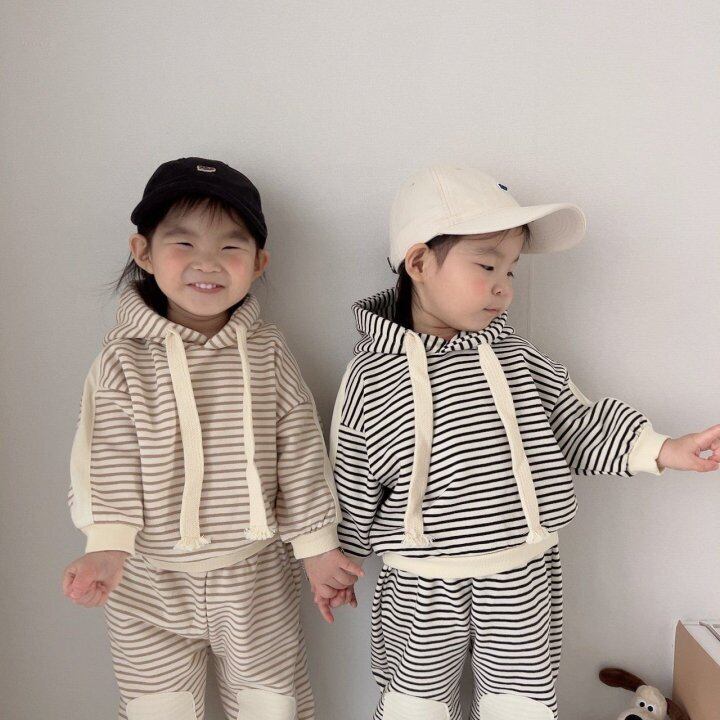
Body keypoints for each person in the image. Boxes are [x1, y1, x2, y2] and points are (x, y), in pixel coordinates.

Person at [329, 165, 720, 720]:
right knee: (413, 703)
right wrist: (339, 555)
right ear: (418, 264)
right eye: (487, 265)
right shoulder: (371, 374)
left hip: (520, 572)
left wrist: (663, 450)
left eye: (510, 270)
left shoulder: (515, 357)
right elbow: (351, 471)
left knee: (522, 702)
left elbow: (577, 422)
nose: (504, 287)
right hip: (420, 581)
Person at [61, 157, 363, 720]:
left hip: (254, 576)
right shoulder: (122, 359)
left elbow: (300, 450)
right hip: (146, 580)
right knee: (158, 709)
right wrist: (105, 545)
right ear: (144, 252)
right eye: (184, 243)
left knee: (272, 704)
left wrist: (318, 547)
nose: (207, 262)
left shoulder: (268, 351)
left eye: (230, 246)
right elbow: (105, 453)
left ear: (258, 263)